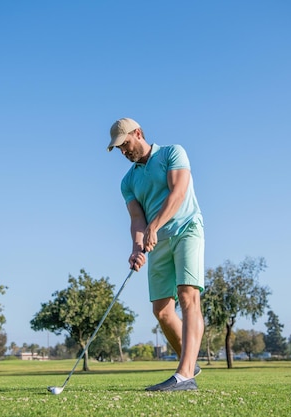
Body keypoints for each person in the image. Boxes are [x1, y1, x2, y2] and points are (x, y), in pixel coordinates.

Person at [107, 117, 205, 392]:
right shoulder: (128, 181)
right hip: (156, 240)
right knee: (161, 310)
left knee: (187, 295)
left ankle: (185, 375)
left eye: (125, 144)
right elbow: (137, 219)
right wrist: (137, 247)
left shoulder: (172, 153)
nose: (124, 152)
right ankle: (191, 359)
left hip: (187, 230)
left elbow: (179, 193)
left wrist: (154, 226)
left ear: (138, 133)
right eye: (119, 149)